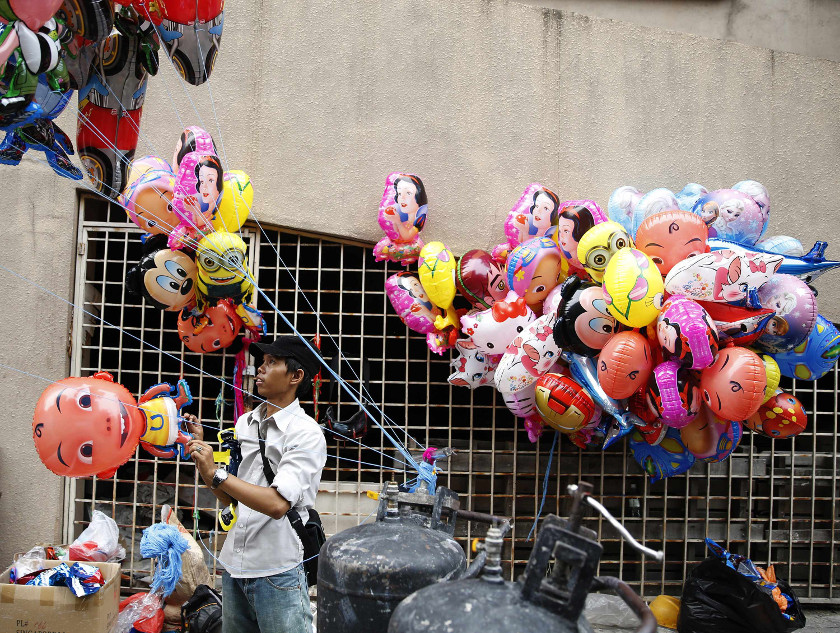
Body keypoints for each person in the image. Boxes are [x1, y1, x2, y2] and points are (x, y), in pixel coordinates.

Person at [186, 336, 327, 633]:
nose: (259, 370)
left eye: (271, 363)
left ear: (296, 376)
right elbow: (229, 499)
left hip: (278, 572)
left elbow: (277, 504)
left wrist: (218, 474)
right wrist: (205, 466)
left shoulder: (306, 433)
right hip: (234, 568)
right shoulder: (245, 423)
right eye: (261, 363)